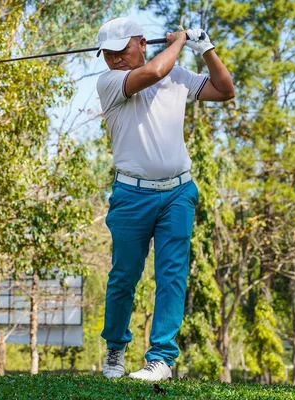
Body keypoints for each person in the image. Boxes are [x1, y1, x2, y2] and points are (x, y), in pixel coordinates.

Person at [96, 17, 235, 381]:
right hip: (131, 195)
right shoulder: (111, 82)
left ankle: (160, 359)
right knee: (124, 276)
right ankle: (115, 349)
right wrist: (179, 40)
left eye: (120, 50)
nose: (114, 59)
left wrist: (205, 49)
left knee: (172, 276)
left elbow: (225, 90)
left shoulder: (178, 77)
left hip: (178, 193)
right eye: (107, 54)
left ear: (141, 42)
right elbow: (157, 69)